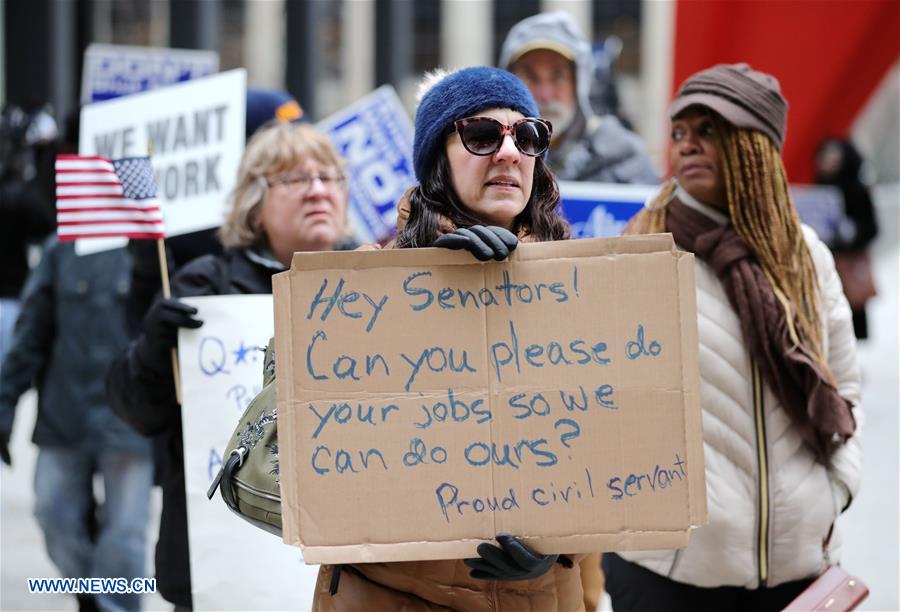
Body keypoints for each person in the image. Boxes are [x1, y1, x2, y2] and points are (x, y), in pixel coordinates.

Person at [311, 66, 585, 611]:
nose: (509, 152)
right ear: (439, 158)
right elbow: (312, 428)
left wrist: (562, 544)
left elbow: (610, 449)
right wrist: (426, 289)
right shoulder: (362, 285)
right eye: (483, 134)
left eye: (527, 136)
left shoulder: (581, 287)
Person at [607, 63, 862, 610]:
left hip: (799, 568)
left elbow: (845, 387)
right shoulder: (643, 249)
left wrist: (836, 492)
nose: (687, 146)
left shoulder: (804, 255)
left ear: (755, 146)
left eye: (709, 131)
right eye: (679, 133)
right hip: (666, 574)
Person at [106, 121, 350, 609]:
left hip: (344, 576)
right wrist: (154, 344)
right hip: (222, 569)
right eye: (297, 179)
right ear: (255, 202)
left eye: (330, 177)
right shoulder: (205, 287)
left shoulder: (375, 280)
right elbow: (138, 412)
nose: (319, 191)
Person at [0, 237, 154, 612]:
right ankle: (93, 592)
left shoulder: (153, 247)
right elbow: (31, 331)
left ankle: (114, 605)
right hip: (65, 416)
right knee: (54, 515)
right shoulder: (59, 249)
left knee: (125, 536)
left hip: (129, 422)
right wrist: (4, 403)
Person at [499, 11, 658, 185]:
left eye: (558, 77)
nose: (545, 95)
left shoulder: (626, 159)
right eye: (531, 77)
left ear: (579, 83)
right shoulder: (485, 151)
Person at [815, 137, 879, 339]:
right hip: (823, 262)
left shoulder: (858, 191)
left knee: (850, 319)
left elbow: (872, 228)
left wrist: (852, 234)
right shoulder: (816, 190)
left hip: (850, 265)